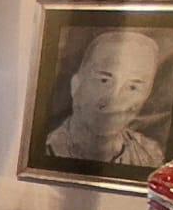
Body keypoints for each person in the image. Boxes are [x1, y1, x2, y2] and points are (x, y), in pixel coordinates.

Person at [46, 30, 166, 166]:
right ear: (76, 85)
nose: (115, 99)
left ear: (146, 96)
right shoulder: (42, 151)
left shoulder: (151, 157)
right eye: (104, 80)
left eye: (132, 87)